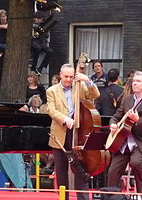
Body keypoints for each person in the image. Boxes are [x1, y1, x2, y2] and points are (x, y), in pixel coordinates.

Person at [46, 63, 100, 200]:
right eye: (66, 76)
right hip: (60, 131)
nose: (69, 79)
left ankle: (83, 198)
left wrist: (87, 80)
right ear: (60, 75)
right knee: (61, 170)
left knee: (80, 168)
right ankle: (63, 198)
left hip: (79, 131)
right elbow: (51, 110)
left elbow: (96, 94)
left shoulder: (79, 86)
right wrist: (65, 119)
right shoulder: (51, 90)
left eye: (71, 76)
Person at [107, 71, 142, 197]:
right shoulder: (127, 99)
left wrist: (137, 120)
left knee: (135, 162)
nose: (134, 83)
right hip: (123, 142)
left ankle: (141, 195)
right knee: (113, 170)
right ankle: (112, 197)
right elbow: (115, 116)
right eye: (134, 81)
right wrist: (112, 125)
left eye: (138, 81)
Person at [31, 11, 53, 75]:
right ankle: (33, 67)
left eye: (41, 19)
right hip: (32, 41)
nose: (40, 20)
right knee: (37, 48)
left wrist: (45, 33)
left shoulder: (42, 25)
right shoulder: (31, 24)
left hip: (39, 41)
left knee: (50, 51)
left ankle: (41, 67)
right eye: (39, 19)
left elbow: (45, 35)